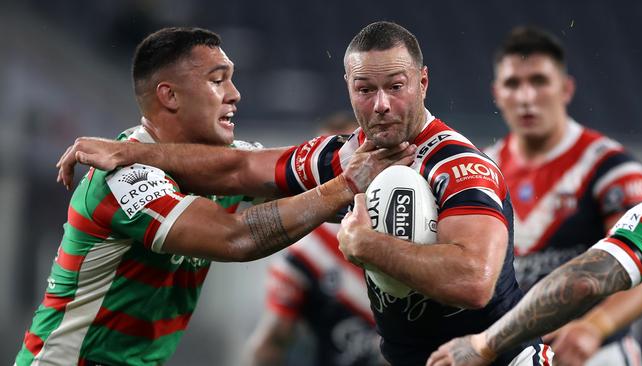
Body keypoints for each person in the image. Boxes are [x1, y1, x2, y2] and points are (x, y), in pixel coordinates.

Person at [57, 21, 550, 366]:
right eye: (364, 89)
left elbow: (475, 281)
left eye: (395, 87)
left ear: (422, 83)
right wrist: (133, 156)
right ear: (347, 88)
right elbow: (237, 174)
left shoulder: (459, 166)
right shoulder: (346, 156)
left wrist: (369, 245)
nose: (380, 105)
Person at [15, 27, 414, 366]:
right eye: (217, 79)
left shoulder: (219, 163)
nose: (235, 94)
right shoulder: (124, 179)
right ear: (169, 96)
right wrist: (347, 184)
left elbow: (298, 185)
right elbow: (234, 236)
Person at [480, 26, 642, 365]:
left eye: (539, 81)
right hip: (516, 354)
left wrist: (595, 325)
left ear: (566, 88)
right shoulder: (482, 169)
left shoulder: (610, 167)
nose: (526, 96)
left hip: (597, 352)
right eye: (513, 84)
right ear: (497, 93)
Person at [426, 198, 642, 366]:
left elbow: (587, 280)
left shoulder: (610, 165)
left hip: (596, 351)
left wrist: (484, 344)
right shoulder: (492, 161)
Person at [244, 113, 387, 366]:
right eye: (334, 160)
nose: (350, 167)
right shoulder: (307, 252)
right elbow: (272, 342)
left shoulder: (411, 223)